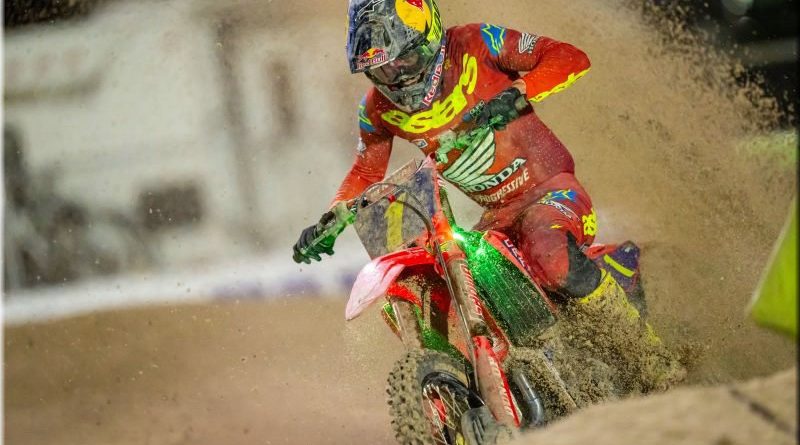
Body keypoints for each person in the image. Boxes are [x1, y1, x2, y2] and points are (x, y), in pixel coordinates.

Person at [294, 0, 684, 390]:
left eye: (404, 59)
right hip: (498, 219)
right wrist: (332, 218)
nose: (397, 77)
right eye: (382, 69)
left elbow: (569, 57)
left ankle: (653, 359)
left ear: (428, 37)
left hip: (552, 193)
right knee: (459, 276)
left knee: (550, 255)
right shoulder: (376, 109)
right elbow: (366, 171)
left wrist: (520, 91)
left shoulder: (477, 42)